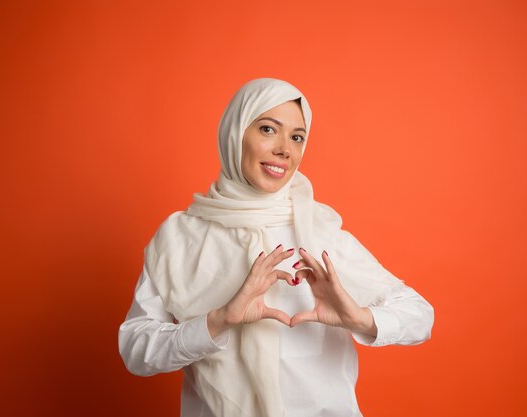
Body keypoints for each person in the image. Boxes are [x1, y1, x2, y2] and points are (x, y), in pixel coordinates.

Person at [118, 78, 434, 417]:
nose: (285, 148)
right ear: (235, 133)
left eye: (297, 137)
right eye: (268, 129)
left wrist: (357, 318)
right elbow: (135, 349)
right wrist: (216, 322)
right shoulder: (179, 238)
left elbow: (421, 317)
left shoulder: (318, 232)